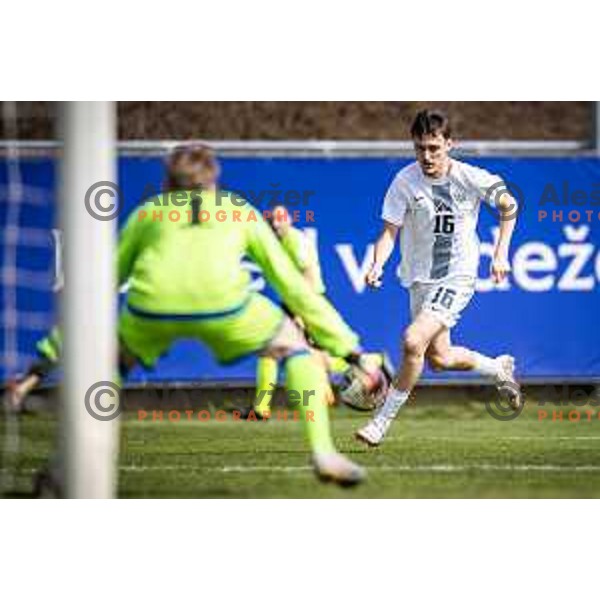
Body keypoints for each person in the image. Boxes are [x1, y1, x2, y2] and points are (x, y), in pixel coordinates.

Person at [117, 145, 384, 486]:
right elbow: (291, 286)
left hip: (150, 309)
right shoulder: (238, 210)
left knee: (110, 362)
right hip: (225, 306)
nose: (277, 220)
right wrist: (352, 350)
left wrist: (51, 353)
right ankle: (324, 452)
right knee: (294, 348)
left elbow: (102, 281)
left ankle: (74, 456)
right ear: (213, 179)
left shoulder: (147, 213)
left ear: (168, 182)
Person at [356, 109, 521, 447]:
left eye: (434, 147)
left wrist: (501, 252)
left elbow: (509, 205)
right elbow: (389, 233)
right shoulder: (404, 181)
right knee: (439, 359)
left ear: (450, 143)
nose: (427, 156)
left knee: (413, 340)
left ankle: (380, 423)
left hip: (457, 275)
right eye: (420, 148)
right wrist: (376, 265)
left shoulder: (468, 177)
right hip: (419, 280)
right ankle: (498, 368)